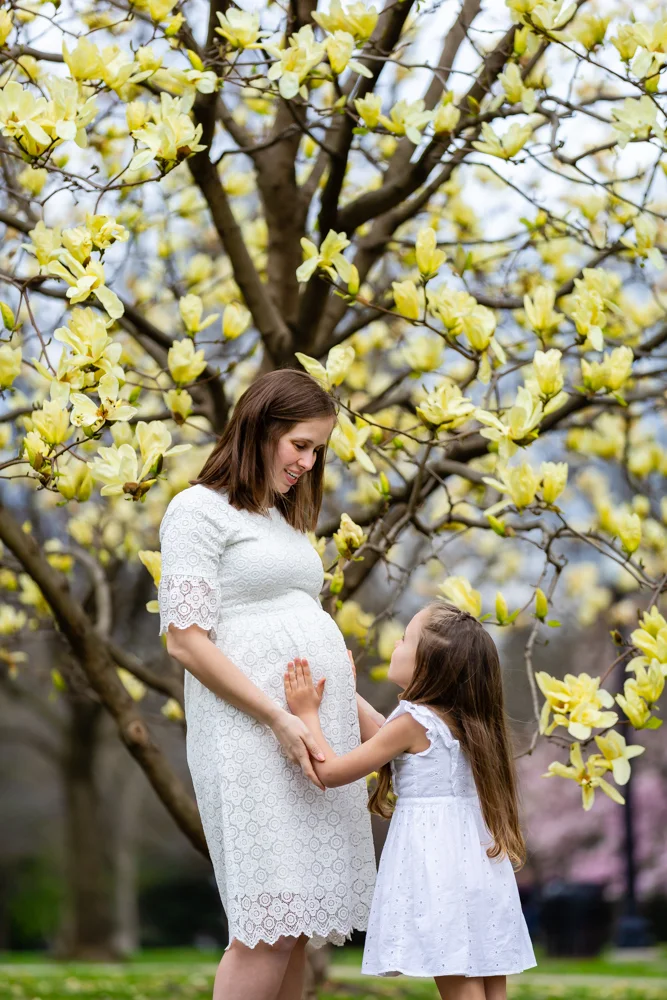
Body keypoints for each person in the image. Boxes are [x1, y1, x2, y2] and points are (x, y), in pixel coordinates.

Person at [158, 369, 379, 1000]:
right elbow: (185, 640)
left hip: (311, 730)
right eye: (299, 445)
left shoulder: (282, 521)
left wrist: (380, 728)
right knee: (267, 925)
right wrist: (277, 717)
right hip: (252, 731)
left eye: (318, 450)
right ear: (260, 429)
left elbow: (307, 640)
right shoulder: (197, 511)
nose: (308, 463)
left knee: (297, 927)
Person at [283, 601, 537, 1000]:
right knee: (487, 986)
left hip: (437, 867)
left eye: (405, 639)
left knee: (460, 984)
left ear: (428, 664)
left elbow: (330, 772)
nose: (396, 645)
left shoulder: (414, 723)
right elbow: (385, 734)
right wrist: (347, 692)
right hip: (478, 866)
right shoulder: (466, 723)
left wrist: (306, 713)